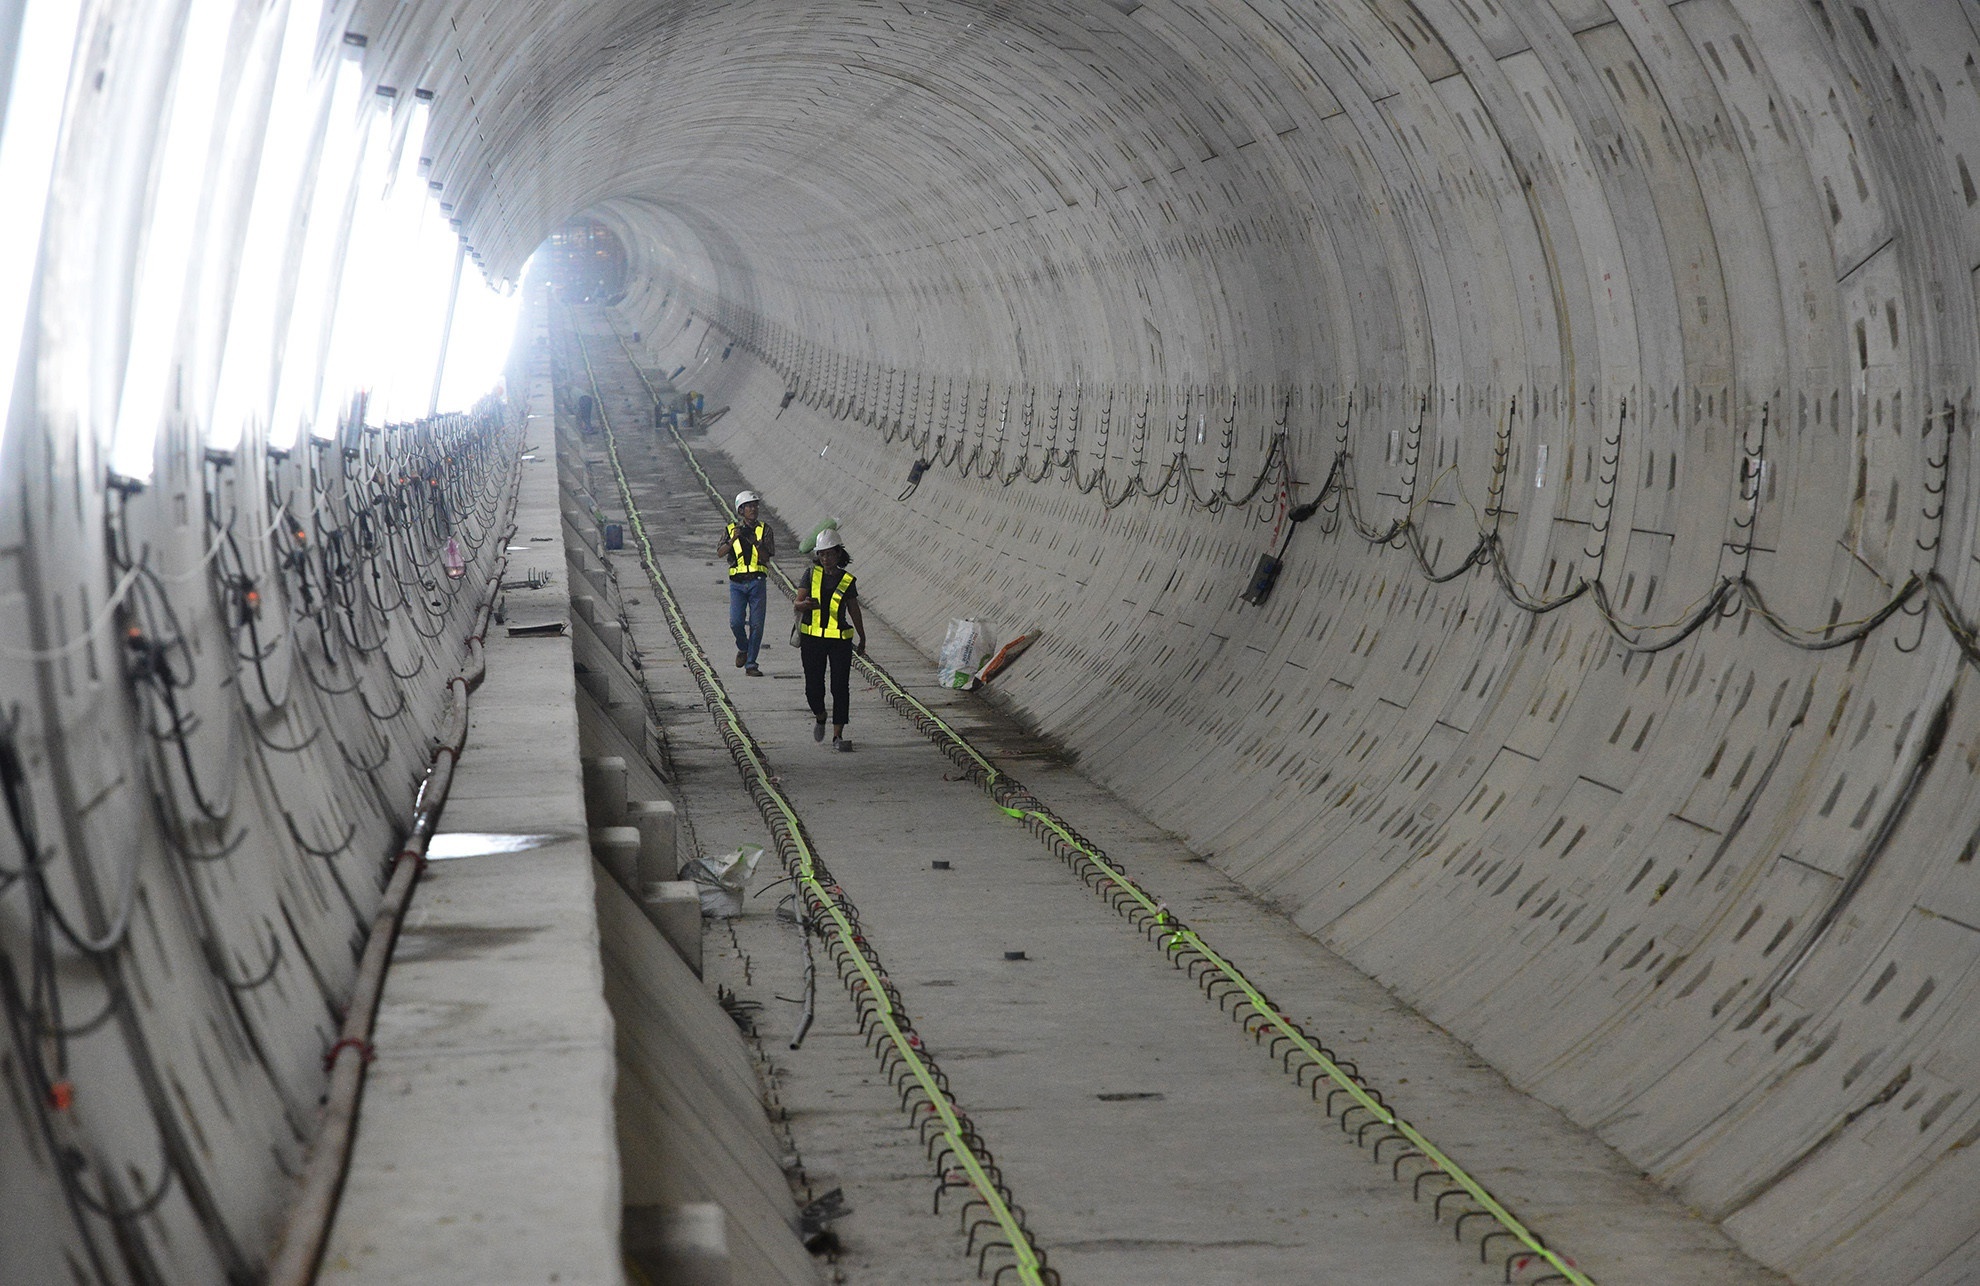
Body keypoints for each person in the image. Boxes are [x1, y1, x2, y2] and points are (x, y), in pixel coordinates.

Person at [792, 528, 866, 750]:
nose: (826, 559)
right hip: (812, 640)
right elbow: (797, 601)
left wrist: (862, 637)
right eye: (822, 554)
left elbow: (854, 610)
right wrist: (802, 605)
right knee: (813, 688)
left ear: (838, 554)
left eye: (830, 554)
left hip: (839, 641)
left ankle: (837, 735)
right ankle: (821, 714)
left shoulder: (847, 580)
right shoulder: (810, 575)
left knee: (840, 687)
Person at [720, 490, 775, 675]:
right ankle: (743, 648)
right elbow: (720, 552)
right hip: (737, 584)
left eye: (755, 506)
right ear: (741, 510)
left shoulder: (765, 530)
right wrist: (733, 540)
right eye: (749, 506)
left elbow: (767, 558)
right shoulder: (730, 529)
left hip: (757, 582)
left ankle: (751, 664)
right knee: (736, 622)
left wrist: (756, 543)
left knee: (757, 625)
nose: (753, 509)